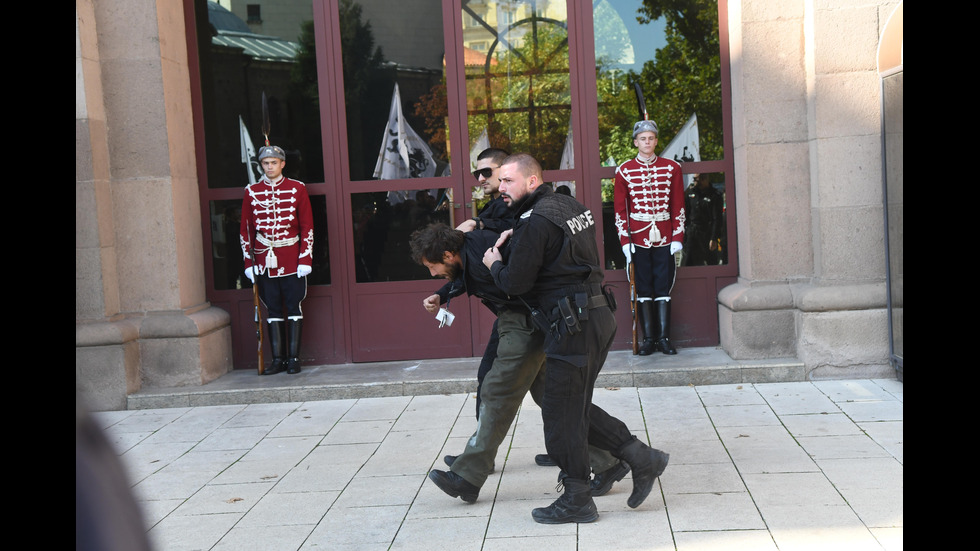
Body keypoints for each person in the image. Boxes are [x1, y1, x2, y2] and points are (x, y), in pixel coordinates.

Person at [483, 153, 669, 524]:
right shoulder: (567, 204)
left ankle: (577, 498)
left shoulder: (536, 221)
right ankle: (640, 457)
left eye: (507, 181)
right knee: (574, 407)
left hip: (574, 324)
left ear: (532, 181)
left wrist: (494, 262)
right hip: (595, 317)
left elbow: (515, 283)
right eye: (500, 181)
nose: (500, 188)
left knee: (559, 414)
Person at [412, 224, 630, 504]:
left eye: (432, 266)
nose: (432, 273)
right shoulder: (473, 246)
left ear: (447, 253)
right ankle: (608, 461)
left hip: (524, 324)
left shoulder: (481, 259)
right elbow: (464, 275)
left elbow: (514, 284)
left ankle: (467, 476)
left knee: (497, 392)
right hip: (531, 322)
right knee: (555, 400)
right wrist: (443, 295)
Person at [240, 144, 314, 375]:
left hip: (291, 258)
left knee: (293, 306)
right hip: (264, 260)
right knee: (272, 308)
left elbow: (307, 226)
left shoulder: (297, 188)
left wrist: (305, 258)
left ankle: (293, 359)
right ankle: (278, 360)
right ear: (261, 165)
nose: (269, 167)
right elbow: (246, 230)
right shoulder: (251, 192)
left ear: (282, 164)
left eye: (273, 163)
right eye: (265, 163)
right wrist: (249, 263)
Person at [614, 119, 686, 355]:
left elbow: (678, 205)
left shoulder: (672, 168)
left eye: (651, 138)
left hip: (665, 236)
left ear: (656, 140)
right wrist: (625, 241)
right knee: (643, 288)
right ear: (636, 142)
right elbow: (620, 210)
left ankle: (664, 338)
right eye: (643, 139)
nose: (647, 142)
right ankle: (648, 339)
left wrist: (678, 236)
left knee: (663, 287)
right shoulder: (624, 170)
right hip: (638, 237)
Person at [453, 148, 514, 419]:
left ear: (505, 169)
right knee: (546, 387)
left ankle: (478, 455)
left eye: (486, 172)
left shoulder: (514, 203)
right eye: (476, 173)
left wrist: (477, 222)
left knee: (489, 377)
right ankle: (478, 454)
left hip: (526, 311)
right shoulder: (497, 205)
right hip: (518, 312)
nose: (479, 178)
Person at [684, 173, 724, 266]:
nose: (694, 181)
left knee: (711, 263)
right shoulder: (691, 193)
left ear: (704, 179)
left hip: (707, 233)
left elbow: (717, 219)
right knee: (688, 263)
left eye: (696, 179)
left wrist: (714, 238)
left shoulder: (715, 195)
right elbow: (686, 214)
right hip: (692, 233)